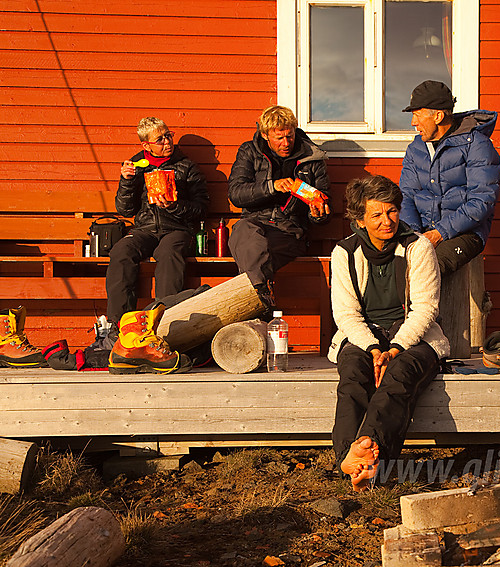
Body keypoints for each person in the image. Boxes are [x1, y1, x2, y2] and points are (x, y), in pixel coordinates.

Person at [328, 175, 449, 491]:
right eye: (377, 215)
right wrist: (372, 349)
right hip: (362, 336)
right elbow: (346, 315)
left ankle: (369, 450)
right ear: (360, 219)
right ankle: (349, 458)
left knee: (399, 374)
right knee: (353, 373)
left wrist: (394, 349)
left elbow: (425, 309)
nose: (387, 221)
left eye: (392, 211)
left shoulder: (418, 248)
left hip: (413, 335)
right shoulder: (344, 252)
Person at [107, 117, 209, 326]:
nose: (168, 142)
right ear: (146, 145)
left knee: (169, 253)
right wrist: (127, 182)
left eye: (169, 136)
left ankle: (165, 322)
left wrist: (175, 206)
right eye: (160, 139)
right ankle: (118, 326)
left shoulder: (186, 166)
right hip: (145, 228)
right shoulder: (136, 166)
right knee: (121, 252)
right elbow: (125, 210)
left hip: (177, 228)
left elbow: (202, 208)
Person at [228, 105, 330, 309]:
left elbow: (324, 208)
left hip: (289, 229)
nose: (286, 143)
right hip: (253, 224)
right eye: (279, 138)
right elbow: (236, 194)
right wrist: (270, 187)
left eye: (290, 136)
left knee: (255, 250)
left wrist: (318, 213)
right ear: (265, 135)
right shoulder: (249, 152)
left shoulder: (313, 159)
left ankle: (257, 299)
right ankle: (261, 293)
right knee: (245, 232)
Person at [399, 80, 500, 274]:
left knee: (428, 269)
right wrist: (413, 236)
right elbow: (407, 195)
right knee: (388, 264)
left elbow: (481, 201)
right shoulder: (416, 149)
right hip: (421, 233)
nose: (413, 123)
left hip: (464, 233)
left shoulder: (477, 145)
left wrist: (439, 233)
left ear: (437, 116)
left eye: (417, 116)